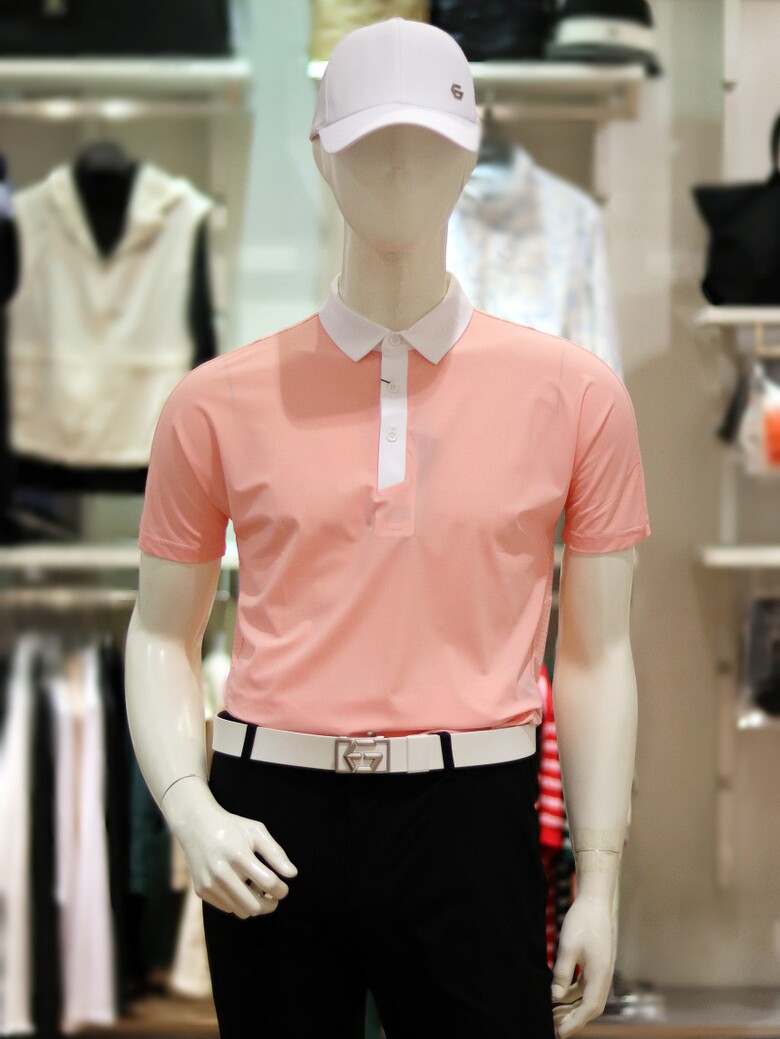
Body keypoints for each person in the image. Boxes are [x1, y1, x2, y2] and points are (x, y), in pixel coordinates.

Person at [125, 18, 650, 1039]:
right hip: (270, 810)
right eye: (369, 145)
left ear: (471, 154)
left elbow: (597, 654)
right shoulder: (215, 401)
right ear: (321, 155)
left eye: (429, 145)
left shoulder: (577, 397)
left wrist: (602, 877)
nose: (400, 172)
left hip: (475, 812)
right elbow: (158, 634)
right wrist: (190, 807)